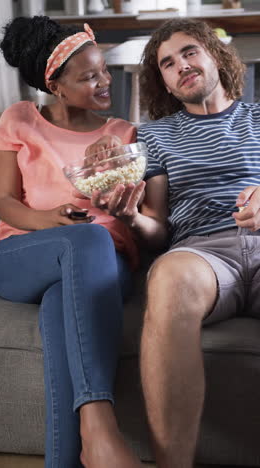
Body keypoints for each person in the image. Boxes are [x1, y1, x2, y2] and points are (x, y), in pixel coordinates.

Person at [89, 17, 260, 468]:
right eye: (167, 63)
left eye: (189, 52)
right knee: (166, 278)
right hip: (202, 252)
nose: (181, 65)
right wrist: (129, 216)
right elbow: (159, 229)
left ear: (214, 56)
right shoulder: (157, 136)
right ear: (161, 80)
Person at [0, 15, 145, 468]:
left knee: (78, 273)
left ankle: (72, 456)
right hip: (25, 253)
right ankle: (99, 423)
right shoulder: (20, 120)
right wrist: (47, 219)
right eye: (88, 77)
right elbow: (2, 201)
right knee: (84, 239)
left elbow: (134, 211)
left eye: (103, 70)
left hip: (102, 263)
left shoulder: (121, 133)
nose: (104, 82)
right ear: (55, 86)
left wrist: (118, 203)